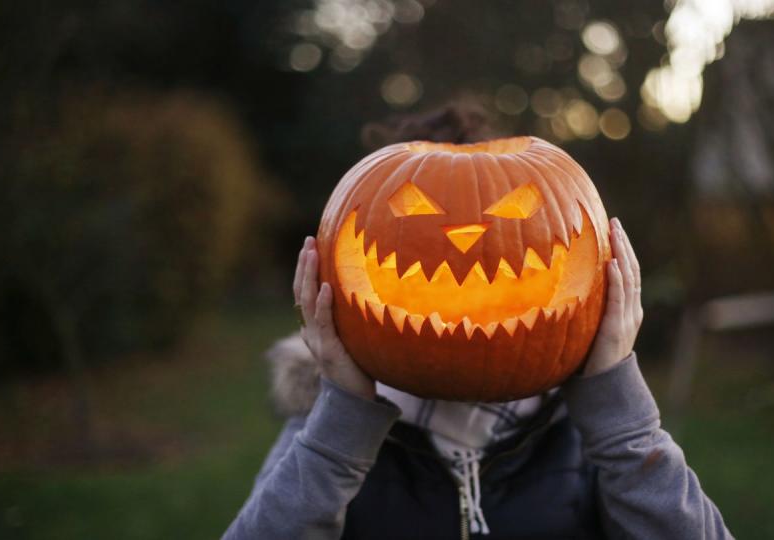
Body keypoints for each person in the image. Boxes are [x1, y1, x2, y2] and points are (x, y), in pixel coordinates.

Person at [224, 107, 732, 540]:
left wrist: (621, 418)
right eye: (415, 209)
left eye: (513, 208)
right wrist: (344, 414)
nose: (467, 234)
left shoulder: (591, 438)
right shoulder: (327, 430)